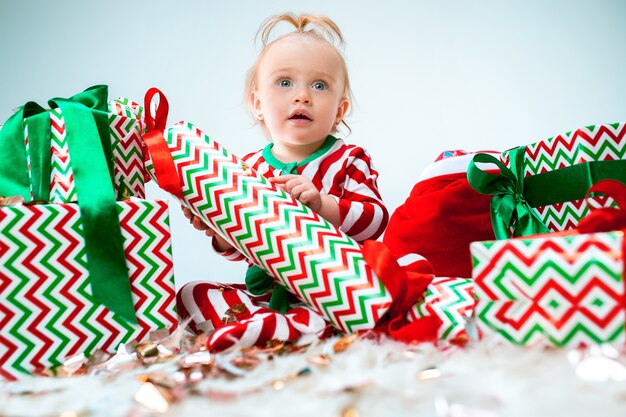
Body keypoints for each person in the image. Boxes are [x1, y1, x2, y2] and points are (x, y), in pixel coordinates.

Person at [179, 13, 389, 343]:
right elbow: (242, 249)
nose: (302, 96)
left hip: (331, 292)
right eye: (285, 82)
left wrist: (323, 206)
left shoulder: (349, 159)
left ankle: (283, 329)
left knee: (379, 284)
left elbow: (376, 221)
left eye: (319, 86)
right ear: (257, 103)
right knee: (191, 293)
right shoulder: (245, 170)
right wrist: (219, 228)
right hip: (264, 294)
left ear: (340, 110)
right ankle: (261, 324)